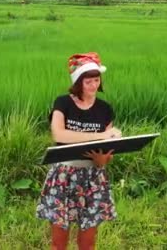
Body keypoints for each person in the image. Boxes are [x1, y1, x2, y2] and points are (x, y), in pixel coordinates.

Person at [36, 52, 122, 250]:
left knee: (88, 243)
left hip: (93, 177)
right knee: (58, 243)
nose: (93, 85)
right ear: (78, 83)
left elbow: (107, 152)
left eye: (96, 80)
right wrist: (99, 135)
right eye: (88, 81)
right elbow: (59, 135)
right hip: (63, 176)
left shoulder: (105, 109)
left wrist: (102, 159)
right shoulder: (63, 103)